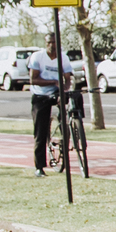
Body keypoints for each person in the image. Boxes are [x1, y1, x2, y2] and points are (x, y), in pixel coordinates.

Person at [29, 33, 72, 175]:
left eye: (54, 42)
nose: (52, 45)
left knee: (75, 98)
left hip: (56, 92)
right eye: (49, 42)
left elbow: (67, 79)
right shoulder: (37, 57)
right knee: (41, 130)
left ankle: (70, 127)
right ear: (45, 43)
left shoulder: (63, 58)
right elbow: (33, 79)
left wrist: (64, 89)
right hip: (41, 94)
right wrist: (53, 82)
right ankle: (39, 167)